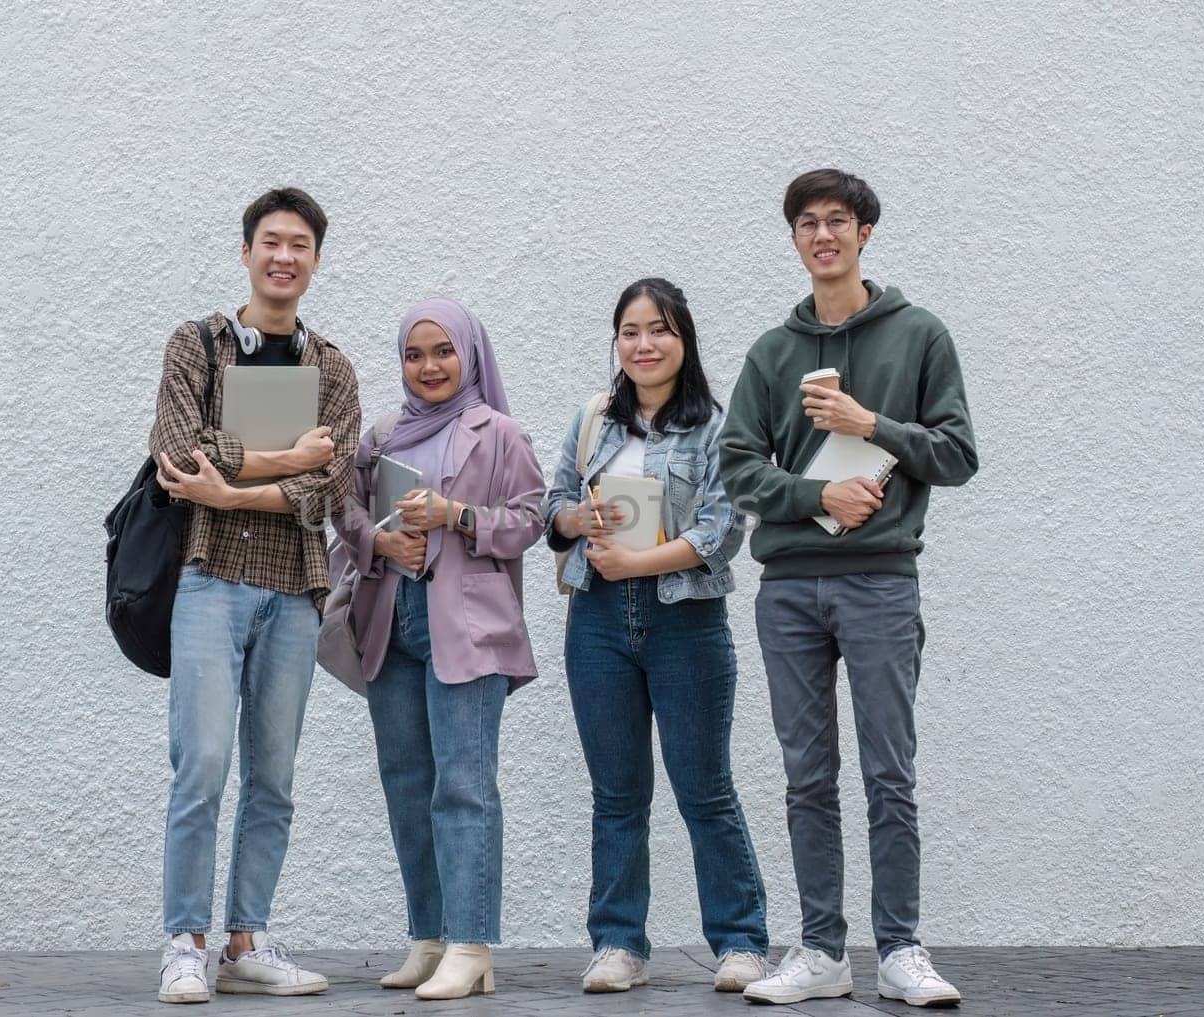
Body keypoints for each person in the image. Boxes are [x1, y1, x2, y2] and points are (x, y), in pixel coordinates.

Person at [720, 169, 977, 1007]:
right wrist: (815, 494)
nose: (822, 235)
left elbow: (958, 455)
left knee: (888, 771)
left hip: (880, 581)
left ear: (865, 231)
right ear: (793, 239)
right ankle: (823, 950)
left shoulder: (921, 335)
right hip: (790, 588)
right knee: (806, 775)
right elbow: (737, 469)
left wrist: (872, 427)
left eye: (837, 221)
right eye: (807, 223)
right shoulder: (771, 351)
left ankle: (900, 946)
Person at [147, 187, 361, 1004]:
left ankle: (247, 937)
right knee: (200, 764)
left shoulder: (332, 366)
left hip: (296, 593)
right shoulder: (197, 346)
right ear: (246, 252)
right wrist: (283, 455)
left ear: (314, 258)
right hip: (209, 581)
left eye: (300, 244)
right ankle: (184, 941)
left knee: (273, 775)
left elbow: (332, 486)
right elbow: (176, 453)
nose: (284, 256)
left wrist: (231, 485)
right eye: (270, 241)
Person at [543, 278, 769, 994]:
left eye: (660, 330)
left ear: (684, 340)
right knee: (617, 794)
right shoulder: (593, 419)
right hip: (599, 619)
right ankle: (617, 942)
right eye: (631, 330)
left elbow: (721, 530)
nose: (644, 343)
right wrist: (578, 521)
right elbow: (549, 507)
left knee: (705, 790)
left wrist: (639, 558)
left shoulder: (718, 427)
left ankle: (739, 941)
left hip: (685, 620)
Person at [331, 298, 545, 1000]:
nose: (429, 366)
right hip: (391, 619)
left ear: (470, 354)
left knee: (464, 785)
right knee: (407, 784)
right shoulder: (383, 433)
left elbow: (530, 516)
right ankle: (428, 934)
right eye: (414, 354)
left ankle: (471, 941)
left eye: (443, 351)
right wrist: (379, 541)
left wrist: (457, 517)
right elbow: (348, 508)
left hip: (469, 627)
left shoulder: (499, 430)